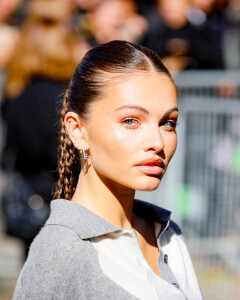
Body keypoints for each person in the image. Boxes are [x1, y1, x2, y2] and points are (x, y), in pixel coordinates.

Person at [13, 40, 203, 300]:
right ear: (78, 131)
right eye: (131, 121)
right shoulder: (60, 253)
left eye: (168, 123)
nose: (157, 142)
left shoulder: (168, 234)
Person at [1, 0, 86, 258]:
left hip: (29, 195)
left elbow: (11, 150)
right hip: (61, 197)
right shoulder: (67, 97)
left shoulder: (16, 91)